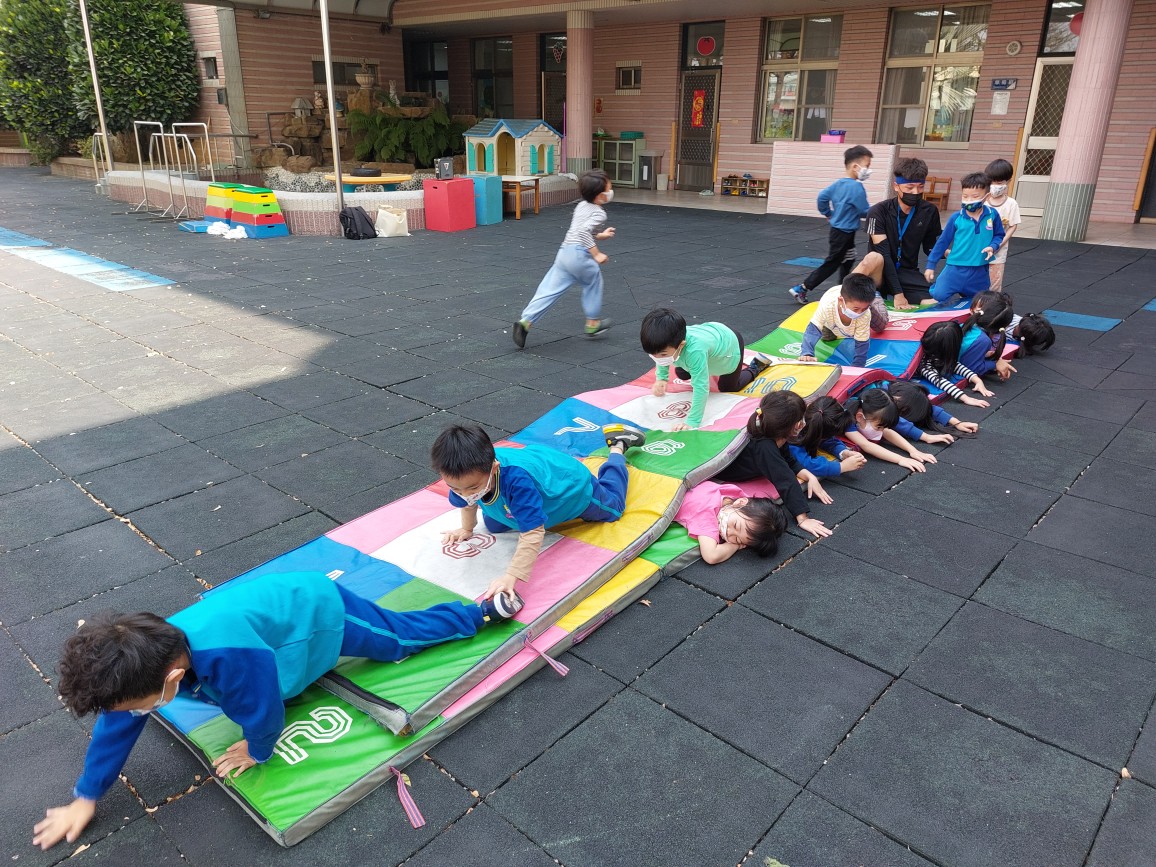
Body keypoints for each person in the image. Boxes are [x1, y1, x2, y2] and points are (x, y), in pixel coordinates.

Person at [32, 571, 524, 851]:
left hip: (317, 607)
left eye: (141, 704)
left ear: (173, 678)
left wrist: (257, 748)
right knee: (251, 687)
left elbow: (265, 710)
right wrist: (86, 796)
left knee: (396, 640)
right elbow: (118, 721)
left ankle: (477, 613)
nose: (132, 713)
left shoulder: (232, 661)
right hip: (268, 629)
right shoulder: (152, 658)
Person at [431, 422, 645, 600]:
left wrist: (511, 576)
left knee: (613, 509)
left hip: (570, 486)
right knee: (493, 525)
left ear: (494, 469)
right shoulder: (465, 478)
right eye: (455, 489)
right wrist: (467, 529)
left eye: (472, 488)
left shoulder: (517, 481)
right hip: (537, 467)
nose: (464, 494)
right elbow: (467, 502)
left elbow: (533, 532)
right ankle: (509, 506)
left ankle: (618, 447)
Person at [512, 169, 616, 348]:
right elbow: (583, 232)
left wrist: (601, 235)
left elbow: (581, 231)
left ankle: (525, 322)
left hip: (564, 253)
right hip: (579, 255)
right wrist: (597, 254)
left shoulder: (581, 206)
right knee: (593, 281)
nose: (611, 191)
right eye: (609, 188)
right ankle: (592, 323)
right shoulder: (600, 213)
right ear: (600, 196)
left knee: (549, 289)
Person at [713, 391, 833, 539]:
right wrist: (803, 519)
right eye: (801, 418)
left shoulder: (773, 433)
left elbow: (788, 460)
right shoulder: (765, 447)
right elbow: (785, 480)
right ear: (795, 425)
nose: (803, 422)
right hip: (725, 471)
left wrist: (809, 476)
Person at [641, 307, 768, 432]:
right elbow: (660, 356)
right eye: (652, 355)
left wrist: (692, 422)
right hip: (712, 333)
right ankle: (691, 364)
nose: (657, 359)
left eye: (663, 355)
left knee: (728, 387)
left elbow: (701, 387)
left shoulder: (694, 351)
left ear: (681, 345)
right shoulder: (669, 341)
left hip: (730, 344)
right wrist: (662, 378)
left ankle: (756, 367)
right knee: (682, 373)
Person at [789, 145, 874, 304]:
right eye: (867, 166)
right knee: (833, 263)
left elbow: (822, 197)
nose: (868, 170)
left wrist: (828, 213)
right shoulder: (856, 187)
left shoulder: (837, 184)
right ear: (855, 167)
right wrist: (880, 211)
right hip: (844, 233)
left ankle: (843, 291)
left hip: (839, 231)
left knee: (849, 259)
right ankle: (802, 288)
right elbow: (864, 211)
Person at [865, 157, 943, 309]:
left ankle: (885, 295)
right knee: (872, 260)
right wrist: (898, 294)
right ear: (896, 186)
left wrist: (949, 252)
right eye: (909, 187)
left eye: (920, 187)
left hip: (906, 273)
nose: (915, 192)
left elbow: (929, 248)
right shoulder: (878, 212)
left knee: (935, 301)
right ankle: (838, 297)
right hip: (880, 272)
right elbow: (884, 254)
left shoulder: (929, 211)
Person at [924, 173, 1006, 305]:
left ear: (986, 196)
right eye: (965, 196)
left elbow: (999, 235)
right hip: (955, 267)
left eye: (975, 196)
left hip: (980, 269)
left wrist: (993, 246)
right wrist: (931, 265)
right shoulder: (956, 217)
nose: (969, 200)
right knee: (939, 295)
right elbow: (942, 242)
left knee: (980, 301)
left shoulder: (992, 214)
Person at [674, 480, 787, 564]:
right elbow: (711, 556)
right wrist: (735, 545)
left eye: (737, 539)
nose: (729, 532)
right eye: (735, 525)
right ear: (741, 502)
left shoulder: (734, 495)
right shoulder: (706, 516)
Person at [841, 388, 935, 473]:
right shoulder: (848, 422)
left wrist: (913, 450)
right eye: (878, 427)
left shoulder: (870, 415)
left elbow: (887, 431)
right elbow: (867, 445)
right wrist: (901, 459)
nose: (881, 431)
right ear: (860, 417)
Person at [797, 273, 879, 367]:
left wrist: (857, 366)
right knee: (828, 337)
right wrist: (807, 353)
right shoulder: (827, 306)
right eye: (856, 309)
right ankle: (832, 326)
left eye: (863, 309)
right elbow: (813, 329)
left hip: (867, 308)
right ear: (841, 301)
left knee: (879, 325)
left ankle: (876, 300)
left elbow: (862, 344)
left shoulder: (865, 314)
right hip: (833, 314)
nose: (859, 313)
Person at [788, 395, 869, 478]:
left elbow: (829, 441)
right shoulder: (791, 438)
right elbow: (806, 464)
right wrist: (842, 466)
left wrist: (844, 452)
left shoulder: (811, 417)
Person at [917, 321, 994, 407]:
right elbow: (940, 381)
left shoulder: (935, 353)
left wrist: (977, 380)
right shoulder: (924, 363)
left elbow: (955, 365)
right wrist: (966, 398)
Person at [887, 380, 979, 438]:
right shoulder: (884, 399)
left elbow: (927, 408)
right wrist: (925, 437)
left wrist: (957, 422)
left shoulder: (896, 391)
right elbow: (896, 421)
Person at [983, 158, 1021, 293]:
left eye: (999, 183)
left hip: (998, 252)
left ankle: (992, 304)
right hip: (979, 249)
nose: (994, 186)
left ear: (1008, 182)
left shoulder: (1011, 204)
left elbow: (1013, 225)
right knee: (974, 281)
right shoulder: (982, 201)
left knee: (994, 284)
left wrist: (1000, 243)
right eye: (991, 182)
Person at [961, 291, 1017, 381]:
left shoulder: (969, 325)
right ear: (1006, 326)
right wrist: (995, 364)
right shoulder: (983, 340)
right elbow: (972, 368)